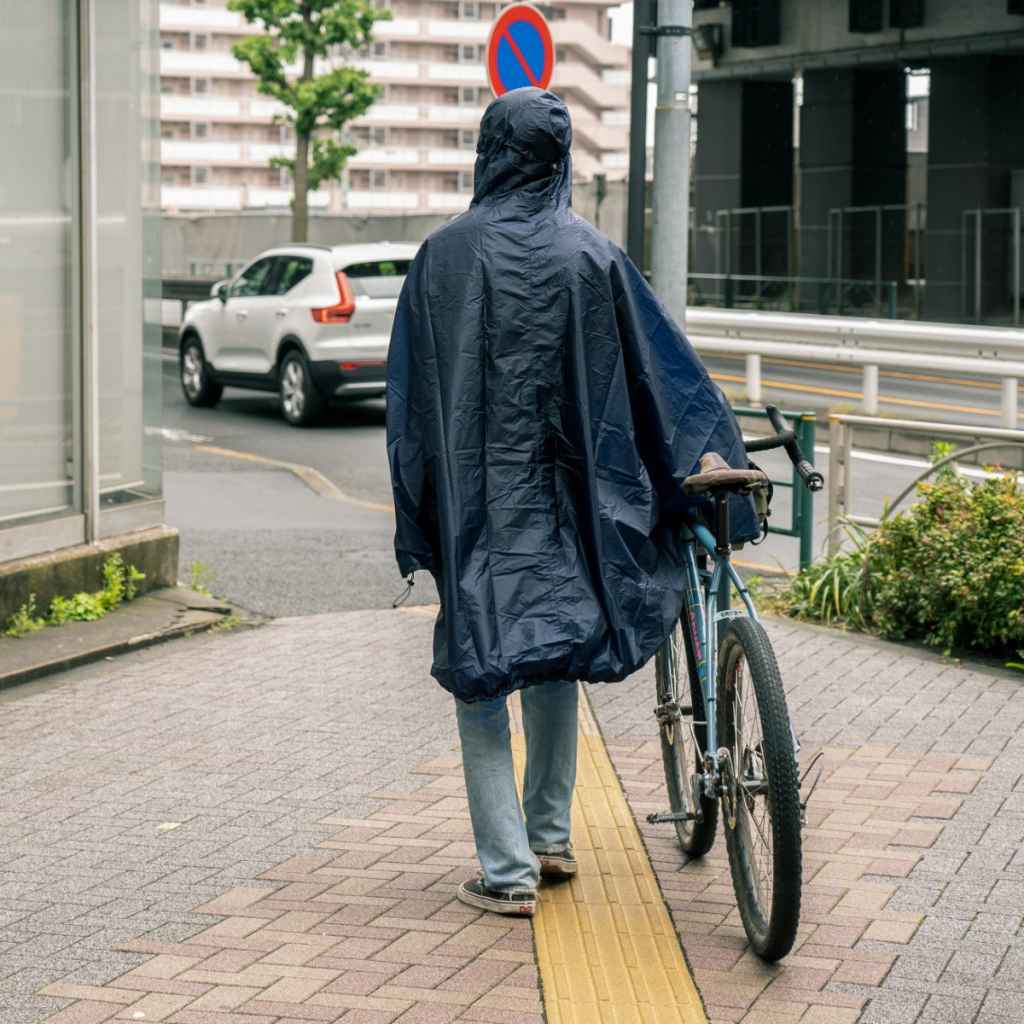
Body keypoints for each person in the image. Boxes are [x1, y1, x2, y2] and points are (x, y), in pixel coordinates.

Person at [386, 87, 757, 917]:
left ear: (490, 149)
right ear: (558, 160)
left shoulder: (443, 259)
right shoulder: (593, 257)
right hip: (570, 508)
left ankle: (506, 871)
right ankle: (549, 839)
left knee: (483, 670)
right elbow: (661, 376)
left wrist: (417, 518)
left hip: (477, 506)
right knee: (552, 653)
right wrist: (703, 466)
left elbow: (410, 406)